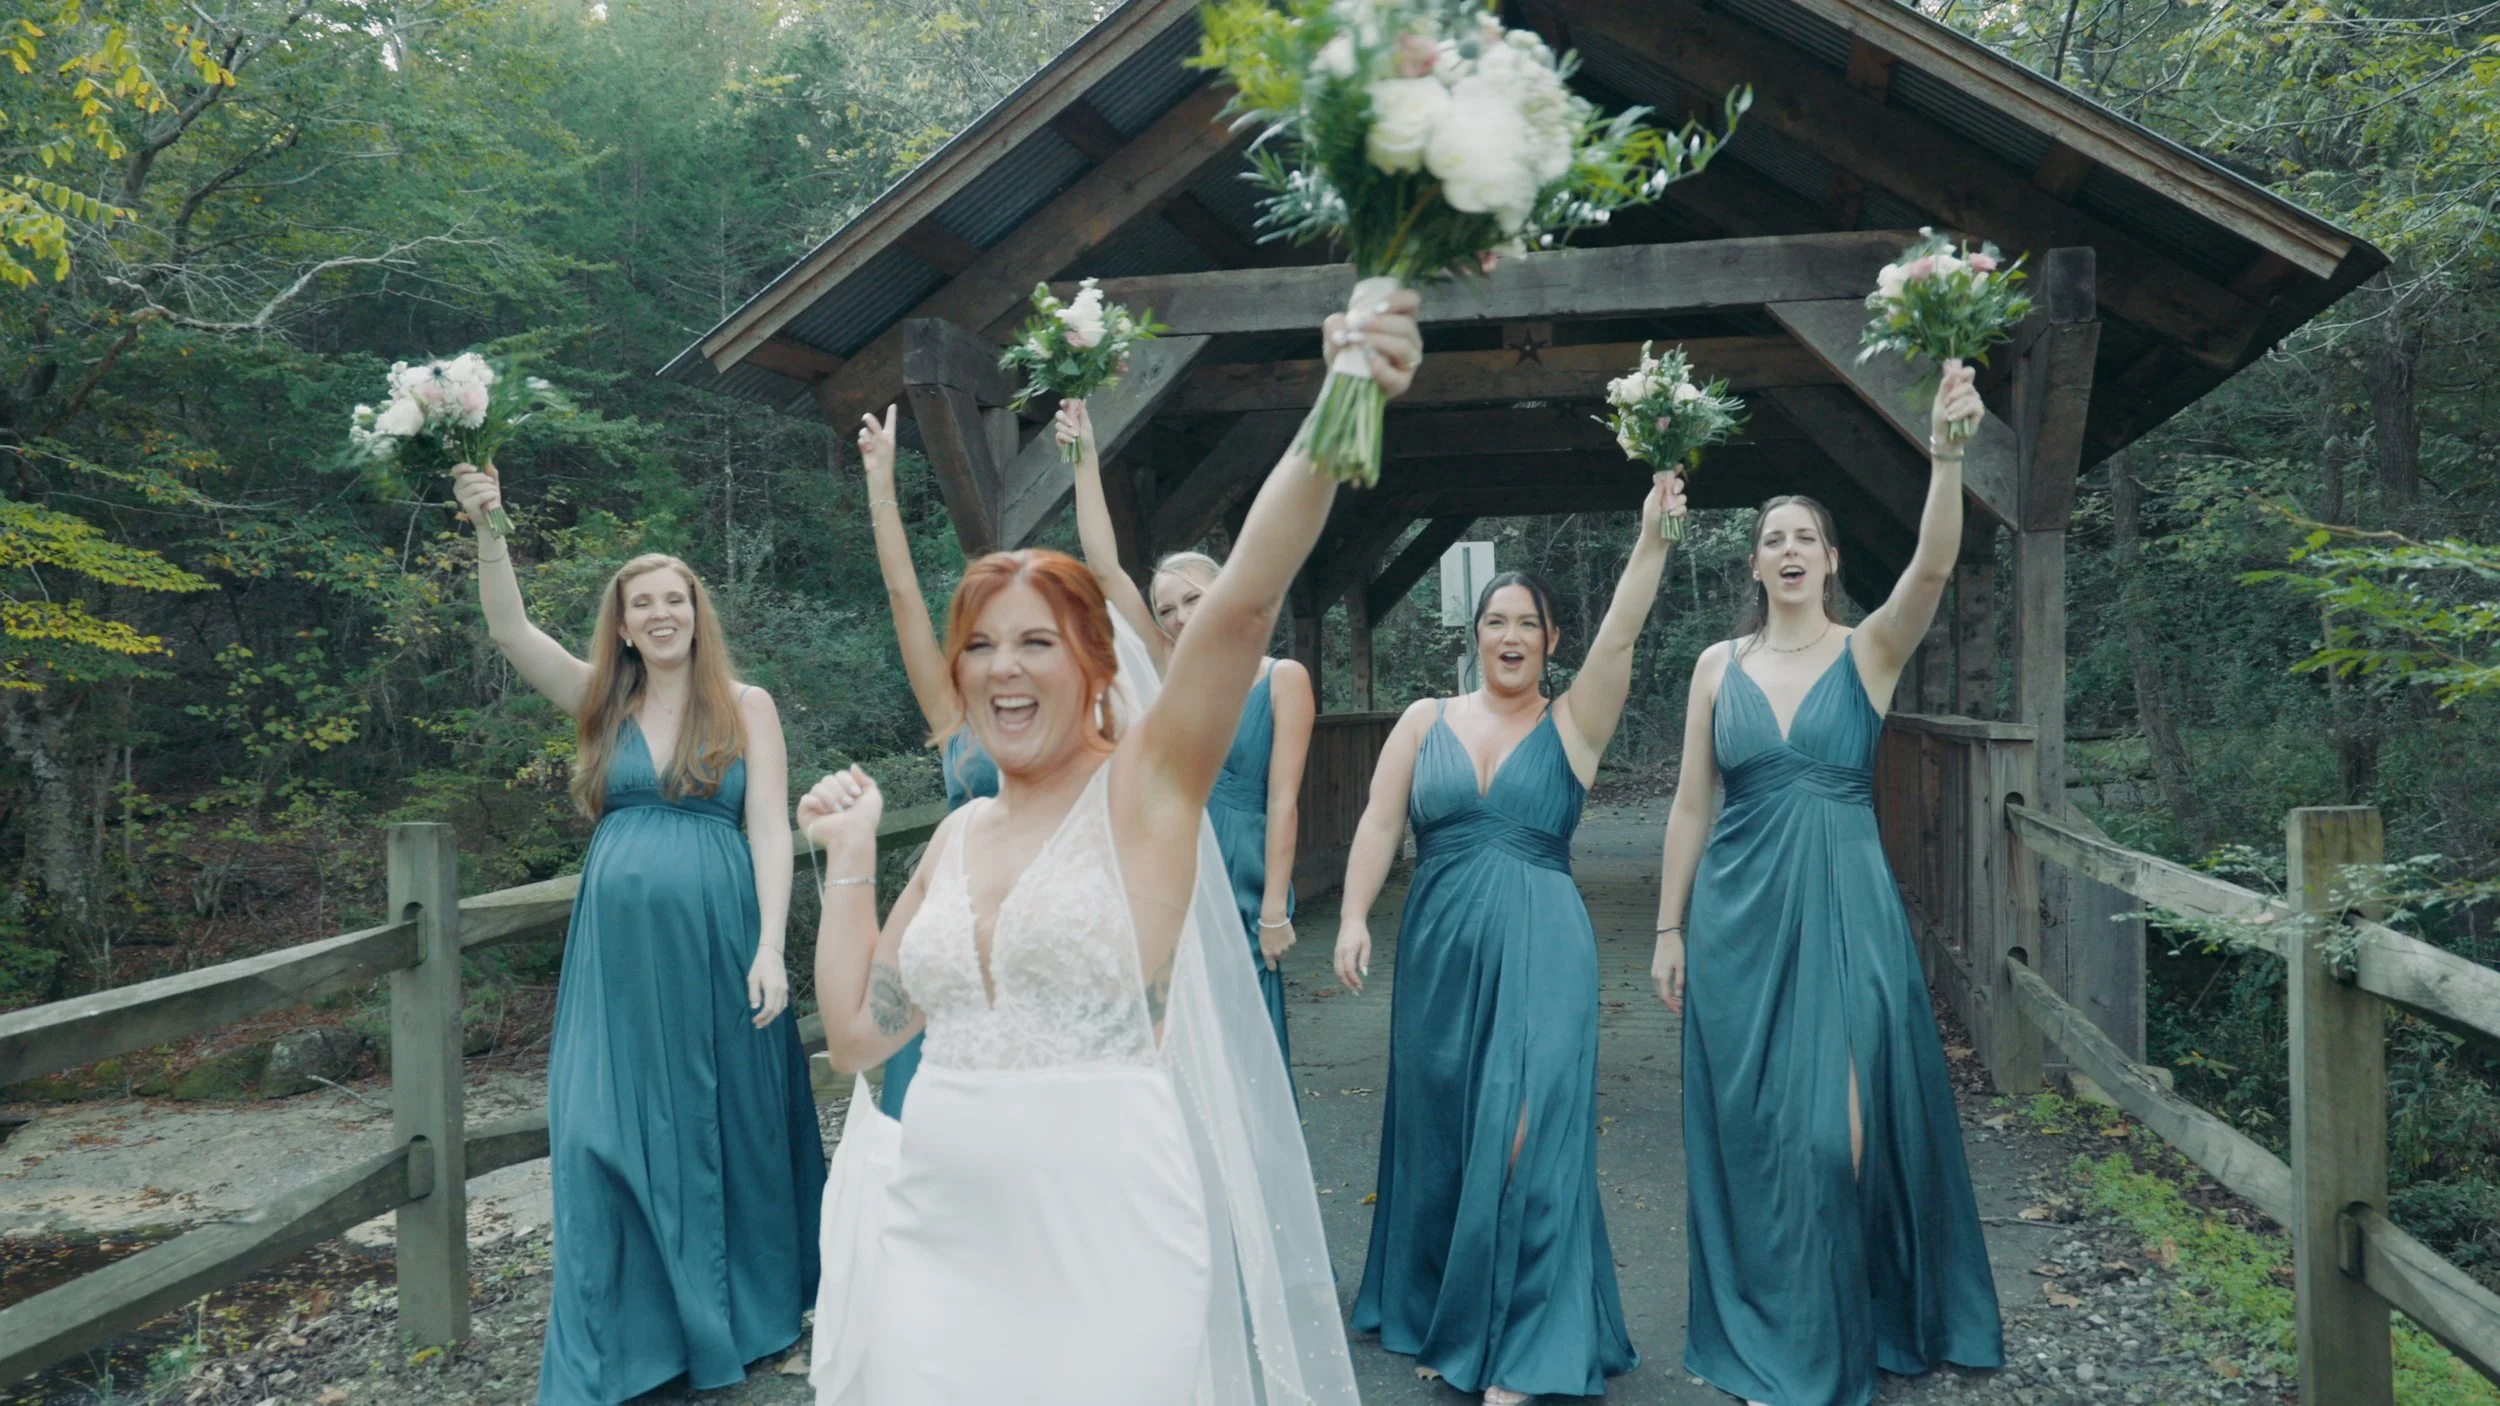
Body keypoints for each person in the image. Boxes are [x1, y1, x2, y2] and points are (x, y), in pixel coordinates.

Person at [800, 297, 1422, 1405]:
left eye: (1036, 641)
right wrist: (848, 858)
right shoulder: (952, 834)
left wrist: (1338, 407)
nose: (1001, 668)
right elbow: (856, 1031)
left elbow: (1239, 608)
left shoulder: (1147, 791)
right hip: (936, 1241)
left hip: (1109, 1237)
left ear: (1096, 664)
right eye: (979, 645)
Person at [1650, 363, 2004, 1406]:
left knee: (1836, 1136)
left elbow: (1934, 569)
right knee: (1759, 1136)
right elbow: (1686, 804)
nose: (1790, 550)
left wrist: (1946, 455)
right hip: (1738, 915)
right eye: (1773, 538)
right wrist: (1668, 926)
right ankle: (1772, 1340)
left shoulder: (1870, 651)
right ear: (1755, 564)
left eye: (1806, 536)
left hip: (1847, 908)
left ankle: (1845, 1333)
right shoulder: (1716, 666)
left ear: (1832, 561)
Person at [449, 468, 825, 1405]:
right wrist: (489, 523)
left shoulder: (750, 705)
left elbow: (770, 828)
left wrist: (771, 946)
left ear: (698, 614)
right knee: (597, 1132)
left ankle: (741, 1320)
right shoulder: (598, 702)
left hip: (722, 941)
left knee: (723, 1123)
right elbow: (508, 629)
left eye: (675, 599)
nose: (660, 614)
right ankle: (626, 1339)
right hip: (615, 967)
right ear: (621, 624)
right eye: (641, 603)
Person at [1333, 473, 1687, 1405]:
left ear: (1550, 640)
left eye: (1529, 623)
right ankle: (1444, 1312)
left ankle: (1529, 1351)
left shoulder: (1575, 724)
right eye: (1497, 622)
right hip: (1439, 949)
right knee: (1446, 1130)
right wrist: (1352, 915)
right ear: (1475, 636)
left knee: (1529, 1128)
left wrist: (1651, 539)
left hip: (1543, 942)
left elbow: (1621, 637)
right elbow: (1377, 822)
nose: (1512, 637)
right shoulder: (1424, 720)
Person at [1060, 398, 1314, 1060]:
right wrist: (1084, 458)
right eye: (1165, 608)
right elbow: (1103, 565)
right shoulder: (1167, 668)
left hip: (1248, 872)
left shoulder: (1282, 679)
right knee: (1182, 1038)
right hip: (1175, 864)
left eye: (1192, 599)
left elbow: (1283, 800)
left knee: (1249, 1038)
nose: (1175, 617)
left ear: (1225, 593)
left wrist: (1276, 909)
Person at [854, 405, 1000, 1118]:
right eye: (979, 639)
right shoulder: (951, 719)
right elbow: (903, 595)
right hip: (949, 922)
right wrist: (881, 480)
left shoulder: (1077, 726)